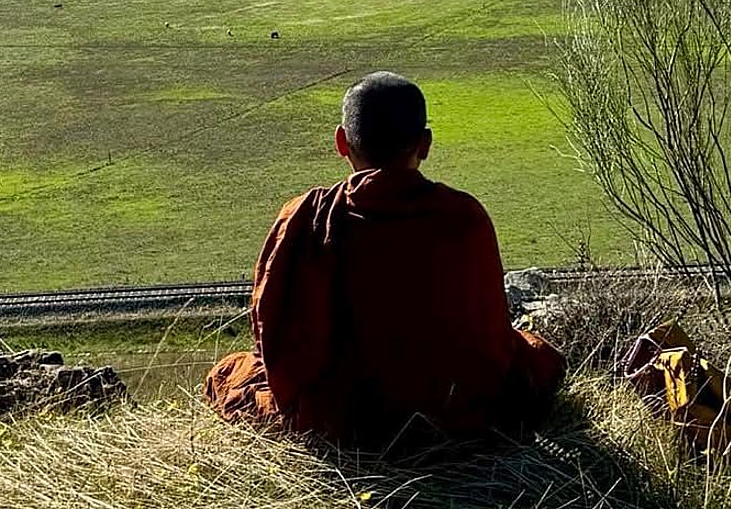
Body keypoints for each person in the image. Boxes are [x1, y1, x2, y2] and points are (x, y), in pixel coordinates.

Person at [204, 71, 566, 446]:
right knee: (534, 357)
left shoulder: (305, 218)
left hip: (342, 425)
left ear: (342, 142)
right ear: (424, 144)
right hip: (453, 417)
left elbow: (274, 342)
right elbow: (490, 340)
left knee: (229, 375)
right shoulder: (464, 217)